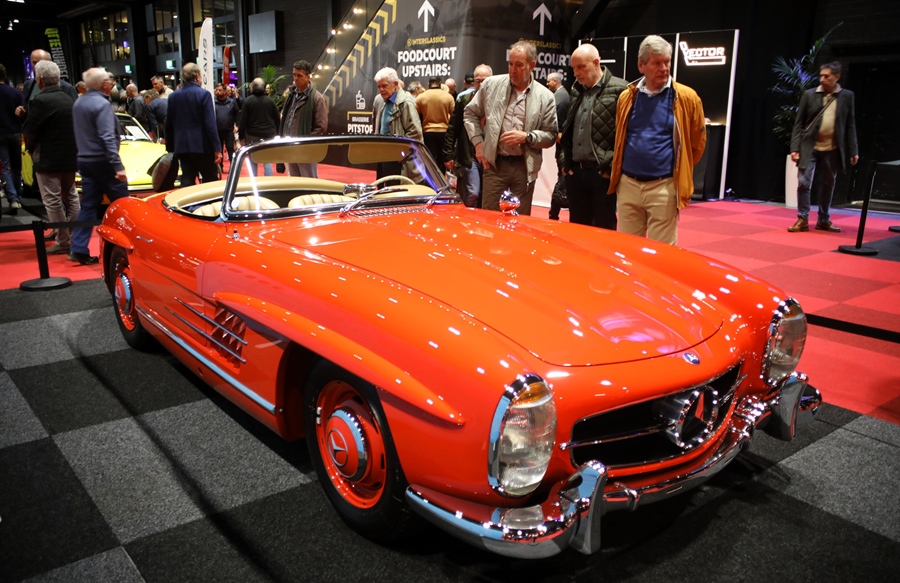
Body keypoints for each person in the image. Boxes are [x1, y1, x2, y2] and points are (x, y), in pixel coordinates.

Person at [608, 35, 706, 245]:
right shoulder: (627, 97)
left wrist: (680, 170)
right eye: (657, 63)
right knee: (628, 250)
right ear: (641, 66)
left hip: (664, 187)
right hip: (628, 186)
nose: (664, 68)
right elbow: (620, 137)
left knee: (662, 253)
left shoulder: (687, 97)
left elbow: (696, 144)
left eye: (667, 62)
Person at [463, 41, 557, 215]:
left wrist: (528, 137)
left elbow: (551, 135)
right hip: (495, 165)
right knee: (490, 219)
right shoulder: (491, 85)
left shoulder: (546, 97)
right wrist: (478, 145)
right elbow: (470, 113)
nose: (513, 70)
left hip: (524, 168)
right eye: (510, 64)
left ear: (532, 65)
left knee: (520, 221)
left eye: (519, 65)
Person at [558, 44, 627, 229]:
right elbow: (567, 131)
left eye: (581, 67)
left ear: (596, 63)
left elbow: (627, 135)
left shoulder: (621, 90)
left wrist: (610, 167)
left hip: (601, 173)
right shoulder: (576, 90)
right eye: (574, 68)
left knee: (604, 229)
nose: (576, 73)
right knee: (577, 231)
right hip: (575, 173)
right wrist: (565, 163)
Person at [787, 61, 859, 233]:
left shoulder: (847, 96)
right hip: (809, 147)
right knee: (803, 183)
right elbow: (799, 124)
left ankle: (824, 219)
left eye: (826, 76)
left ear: (836, 77)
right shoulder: (809, 95)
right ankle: (802, 218)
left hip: (832, 149)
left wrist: (853, 150)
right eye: (821, 76)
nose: (822, 79)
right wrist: (794, 148)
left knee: (828, 184)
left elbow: (850, 125)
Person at [70, 68, 129, 265]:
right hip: (104, 162)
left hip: (85, 160)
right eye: (109, 79)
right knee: (123, 205)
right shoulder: (101, 104)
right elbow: (107, 137)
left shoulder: (79, 102)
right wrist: (117, 166)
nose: (112, 82)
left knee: (88, 205)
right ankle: (130, 245)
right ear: (103, 84)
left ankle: (78, 247)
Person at [23, 60, 80, 254]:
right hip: (70, 157)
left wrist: (31, 149)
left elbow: (30, 131)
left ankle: (63, 240)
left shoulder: (41, 101)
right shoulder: (68, 98)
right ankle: (72, 236)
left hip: (48, 158)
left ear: (39, 80)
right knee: (71, 197)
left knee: (52, 199)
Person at [165, 63, 221, 185]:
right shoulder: (204, 94)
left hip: (182, 146)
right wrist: (217, 147)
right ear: (197, 76)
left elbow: (168, 124)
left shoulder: (173, 96)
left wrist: (170, 148)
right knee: (210, 180)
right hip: (203, 146)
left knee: (187, 179)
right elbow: (210, 124)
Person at [444, 64, 492, 207]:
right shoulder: (464, 100)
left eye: (484, 80)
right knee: (473, 192)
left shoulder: (498, 100)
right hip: (469, 155)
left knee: (486, 195)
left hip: (490, 155)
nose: (481, 84)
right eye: (477, 81)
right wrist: (448, 154)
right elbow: (453, 128)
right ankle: (465, 216)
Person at [279, 59, 328, 177]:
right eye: (294, 75)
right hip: (290, 146)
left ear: (308, 76)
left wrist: (306, 143)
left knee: (309, 182)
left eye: (299, 75)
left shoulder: (316, 98)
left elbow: (321, 127)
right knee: (295, 182)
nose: (296, 78)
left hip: (306, 149)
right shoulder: (291, 95)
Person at [373, 67, 423, 179]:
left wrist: (400, 154)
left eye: (384, 86)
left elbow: (415, 132)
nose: (381, 90)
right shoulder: (385, 101)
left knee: (396, 188)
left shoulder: (405, 103)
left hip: (399, 160)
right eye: (379, 87)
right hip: (386, 156)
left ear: (395, 84)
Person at [15, 49, 78, 120]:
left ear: (50, 63)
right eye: (34, 62)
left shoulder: (67, 88)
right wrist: (22, 113)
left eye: (40, 63)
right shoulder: (28, 85)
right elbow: (27, 110)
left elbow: (75, 114)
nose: (37, 66)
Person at [238, 77, 280, 176]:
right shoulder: (270, 101)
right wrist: (278, 133)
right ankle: (268, 182)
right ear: (264, 88)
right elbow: (277, 119)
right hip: (268, 134)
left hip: (252, 134)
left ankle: (254, 181)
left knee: (253, 160)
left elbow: (242, 120)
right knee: (267, 160)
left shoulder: (247, 101)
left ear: (252, 87)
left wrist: (241, 136)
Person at [546, 70, 570, 221]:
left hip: (563, 149)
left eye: (549, 81)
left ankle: (553, 214)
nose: (547, 84)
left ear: (555, 82)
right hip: (563, 148)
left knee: (562, 181)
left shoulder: (559, 98)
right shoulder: (562, 95)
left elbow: (557, 127)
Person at [416, 76, 455, 167]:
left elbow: (415, 116)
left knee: (430, 160)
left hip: (427, 131)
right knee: (442, 161)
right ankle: (441, 175)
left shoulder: (420, 97)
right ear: (440, 83)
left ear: (428, 84)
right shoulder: (448, 97)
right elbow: (454, 116)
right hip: (444, 131)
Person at [0, 63, 24, 214]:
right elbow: (23, 112)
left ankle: (13, 198)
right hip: (16, 132)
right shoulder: (15, 92)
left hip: (0, 134)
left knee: (5, 167)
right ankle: (18, 199)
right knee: (16, 168)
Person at [214, 83, 240, 163]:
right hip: (217, 130)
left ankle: (232, 166)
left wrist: (237, 126)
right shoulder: (213, 102)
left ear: (225, 91)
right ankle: (220, 167)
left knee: (230, 148)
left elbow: (237, 114)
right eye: (216, 90)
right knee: (219, 150)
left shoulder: (232, 102)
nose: (218, 92)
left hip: (229, 130)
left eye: (220, 90)